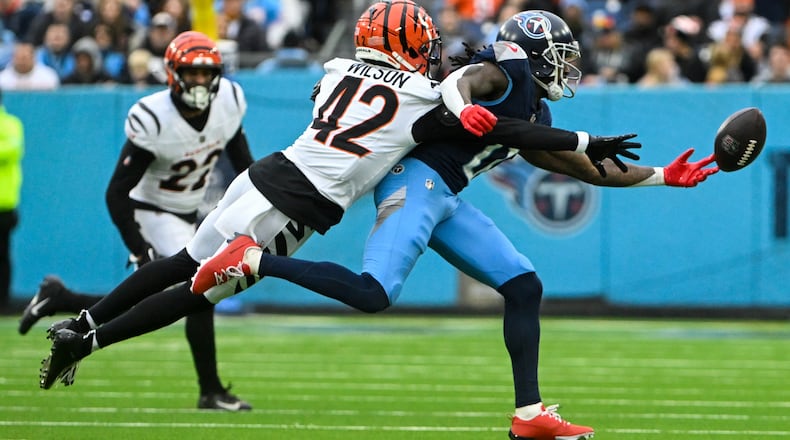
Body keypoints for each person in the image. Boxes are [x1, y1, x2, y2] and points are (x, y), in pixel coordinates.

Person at [38, 0, 639, 428]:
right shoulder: (423, 99)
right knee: (197, 293)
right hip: (299, 202)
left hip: (264, 174)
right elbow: (502, 128)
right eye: (423, 45)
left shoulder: (335, 72)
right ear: (407, 46)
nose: (431, 55)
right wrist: (581, 140)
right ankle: (99, 335)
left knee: (179, 265)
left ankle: (84, 328)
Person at [190, 10, 719, 439]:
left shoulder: (536, 112)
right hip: (414, 183)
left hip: (444, 196)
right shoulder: (503, 73)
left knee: (523, 285)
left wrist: (663, 176)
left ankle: (530, 414)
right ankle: (253, 258)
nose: (566, 69)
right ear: (532, 55)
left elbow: (583, 167)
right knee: (374, 294)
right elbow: (461, 81)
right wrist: (465, 110)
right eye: (559, 57)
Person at [24, 30, 255, 411]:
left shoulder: (229, 100)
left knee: (165, 299)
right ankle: (210, 390)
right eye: (192, 73)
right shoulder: (154, 117)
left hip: (189, 213)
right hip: (151, 210)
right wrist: (139, 247)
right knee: (200, 290)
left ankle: (62, 300)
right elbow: (117, 192)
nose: (200, 81)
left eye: (206, 73)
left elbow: (243, 166)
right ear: (173, 74)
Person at [0, 87, 23, 311]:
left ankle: (2, 301)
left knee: (2, 253)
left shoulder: (10, 124)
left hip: (4, 202)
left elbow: (11, 150)